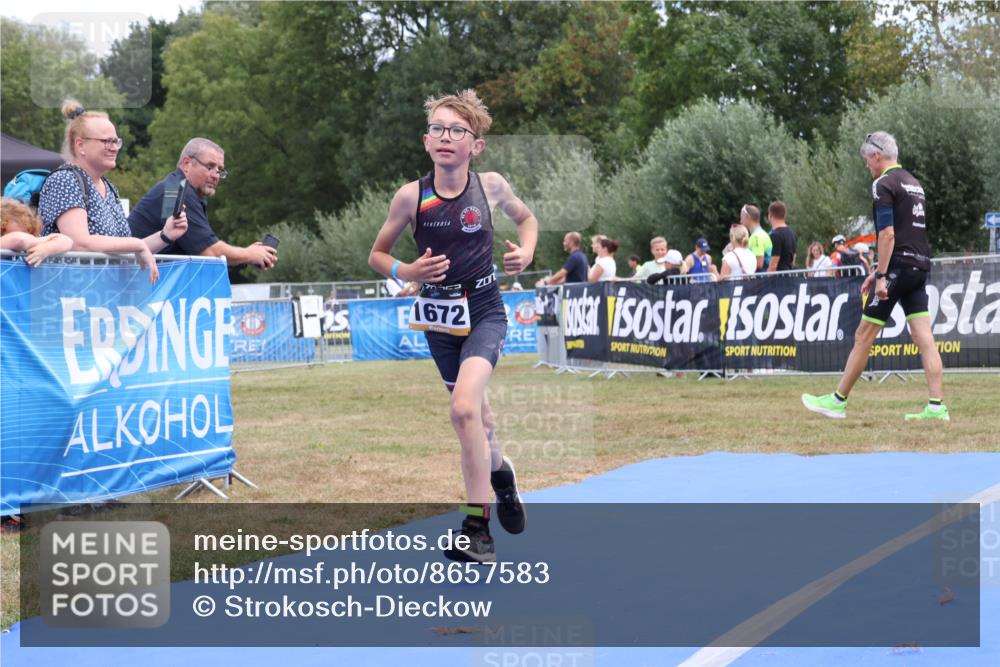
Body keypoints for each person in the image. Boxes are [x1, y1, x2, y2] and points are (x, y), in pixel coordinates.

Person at [368, 89, 538, 563]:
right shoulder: (410, 196)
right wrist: (407, 272)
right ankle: (501, 478)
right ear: (426, 141)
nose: (446, 137)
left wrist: (525, 251)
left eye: (457, 131)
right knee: (481, 424)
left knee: (464, 411)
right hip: (439, 322)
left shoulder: (491, 187)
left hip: (484, 310)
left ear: (475, 146)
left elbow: (527, 220)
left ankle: (476, 529)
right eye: (438, 129)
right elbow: (377, 255)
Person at [802, 131, 947, 421]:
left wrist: (881, 276)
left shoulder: (883, 183)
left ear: (877, 156)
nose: (867, 165)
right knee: (924, 336)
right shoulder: (914, 183)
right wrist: (875, 271)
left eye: (867, 160)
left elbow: (889, 233)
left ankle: (838, 401)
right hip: (918, 265)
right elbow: (907, 232)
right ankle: (936, 407)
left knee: (863, 335)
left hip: (898, 268)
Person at [38, 99, 187, 284]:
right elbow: (79, 243)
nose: (114, 147)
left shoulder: (108, 187)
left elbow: (126, 248)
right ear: (80, 145)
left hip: (103, 298)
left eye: (116, 141)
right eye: (106, 141)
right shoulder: (64, 180)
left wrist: (165, 235)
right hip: (68, 295)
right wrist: (137, 244)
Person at [128, 138, 276, 270]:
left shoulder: (175, 187)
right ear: (187, 164)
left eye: (220, 170)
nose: (215, 175)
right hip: (135, 284)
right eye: (210, 167)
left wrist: (248, 255)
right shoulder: (178, 192)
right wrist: (249, 254)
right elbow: (209, 251)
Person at [1, 198, 73, 265]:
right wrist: (44, 241)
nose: (25, 227)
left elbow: (67, 241)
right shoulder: (20, 240)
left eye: (28, 230)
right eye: (17, 220)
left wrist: (47, 248)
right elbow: (19, 239)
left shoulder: (28, 242)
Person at [766, 200, 796, 272]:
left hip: (778, 279)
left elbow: (773, 265)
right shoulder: (791, 233)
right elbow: (793, 260)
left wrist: (765, 280)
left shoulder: (775, 235)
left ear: (770, 215)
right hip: (788, 275)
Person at [740, 204, 771, 272]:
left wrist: (742, 268)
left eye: (742, 218)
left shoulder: (757, 237)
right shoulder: (761, 234)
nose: (740, 221)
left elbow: (759, 263)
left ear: (748, 217)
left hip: (760, 279)